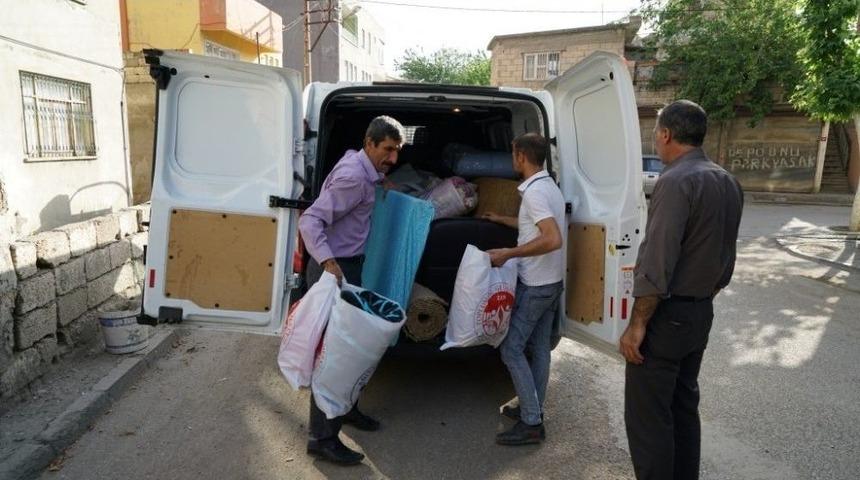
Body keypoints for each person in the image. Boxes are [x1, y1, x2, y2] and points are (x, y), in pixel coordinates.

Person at [619, 100, 743, 479]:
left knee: (649, 418)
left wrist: (637, 324)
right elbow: (726, 256)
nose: (656, 140)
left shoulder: (675, 180)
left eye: (656, 133)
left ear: (666, 134)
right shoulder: (727, 180)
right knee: (682, 407)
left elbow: (658, 260)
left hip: (667, 316)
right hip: (699, 312)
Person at [297, 115, 404, 466]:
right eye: (387, 150)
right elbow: (310, 220)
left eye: (397, 151)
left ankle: (347, 409)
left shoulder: (363, 170)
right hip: (336, 267)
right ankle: (321, 438)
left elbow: (363, 188)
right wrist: (329, 263)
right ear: (369, 143)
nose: (392, 158)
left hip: (350, 265)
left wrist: (381, 184)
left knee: (353, 348)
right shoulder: (353, 177)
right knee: (334, 356)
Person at [484, 132, 566, 445]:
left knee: (511, 348)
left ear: (520, 156)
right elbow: (536, 226)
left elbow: (551, 238)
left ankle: (532, 422)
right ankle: (532, 407)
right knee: (539, 348)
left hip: (537, 286)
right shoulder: (547, 187)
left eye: (512, 153)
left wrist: (508, 253)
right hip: (552, 282)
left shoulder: (534, 193)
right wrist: (502, 219)